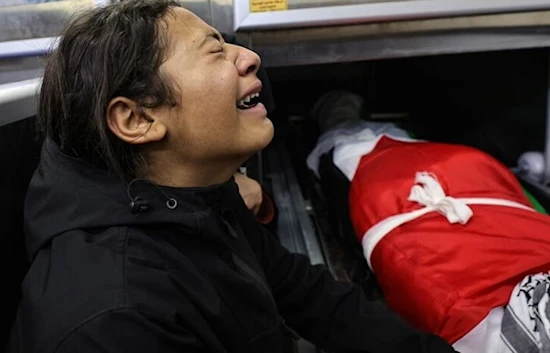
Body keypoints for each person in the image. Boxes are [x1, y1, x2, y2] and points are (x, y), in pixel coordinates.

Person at [6, 1, 457, 353]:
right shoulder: (115, 322)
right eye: (216, 51)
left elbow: (310, 296)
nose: (250, 58)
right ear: (137, 119)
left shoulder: (193, 192)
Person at [306, 91, 550, 353]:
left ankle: (341, 107)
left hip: (412, 197)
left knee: (356, 142)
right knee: (369, 143)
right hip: (455, 192)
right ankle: (345, 110)